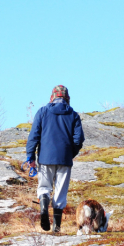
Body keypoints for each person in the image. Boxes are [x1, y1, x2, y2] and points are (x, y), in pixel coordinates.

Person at [25, 85, 85, 233]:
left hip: (45, 158)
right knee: (60, 192)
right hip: (65, 159)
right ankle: (56, 228)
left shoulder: (42, 112)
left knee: (44, 187)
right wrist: (70, 153)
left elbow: (34, 136)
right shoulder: (73, 115)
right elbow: (78, 139)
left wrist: (30, 156)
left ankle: (44, 207)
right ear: (67, 98)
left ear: (52, 97)